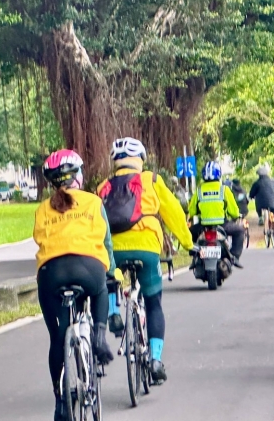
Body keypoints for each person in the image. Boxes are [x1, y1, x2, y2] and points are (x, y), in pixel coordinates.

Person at [97, 137, 194, 384]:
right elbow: (173, 213)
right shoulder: (151, 180)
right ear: (140, 159)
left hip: (113, 250)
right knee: (153, 304)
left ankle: (114, 311)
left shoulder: (103, 187)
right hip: (147, 247)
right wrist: (188, 244)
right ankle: (155, 360)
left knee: (110, 277)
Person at [33, 149, 116, 421]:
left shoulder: (43, 208)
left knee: (56, 338)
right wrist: (112, 272)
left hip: (51, 273)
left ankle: (60, 403)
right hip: (89, 269)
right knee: (102, 288)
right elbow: (106, 243)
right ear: (78, 177)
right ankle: (100, 337)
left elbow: (39, 238)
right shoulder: (93, 202)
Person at [188, 161, 245, 268]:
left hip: (203, 226)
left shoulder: (199, 191)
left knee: (190, 233)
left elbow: (192, 211)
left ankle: (194, 255)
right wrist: (236, 216)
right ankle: (235, 257)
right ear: (219, 174)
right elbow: (233, 211)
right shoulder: (224, 190)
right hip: (222, 225)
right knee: (240, 231)